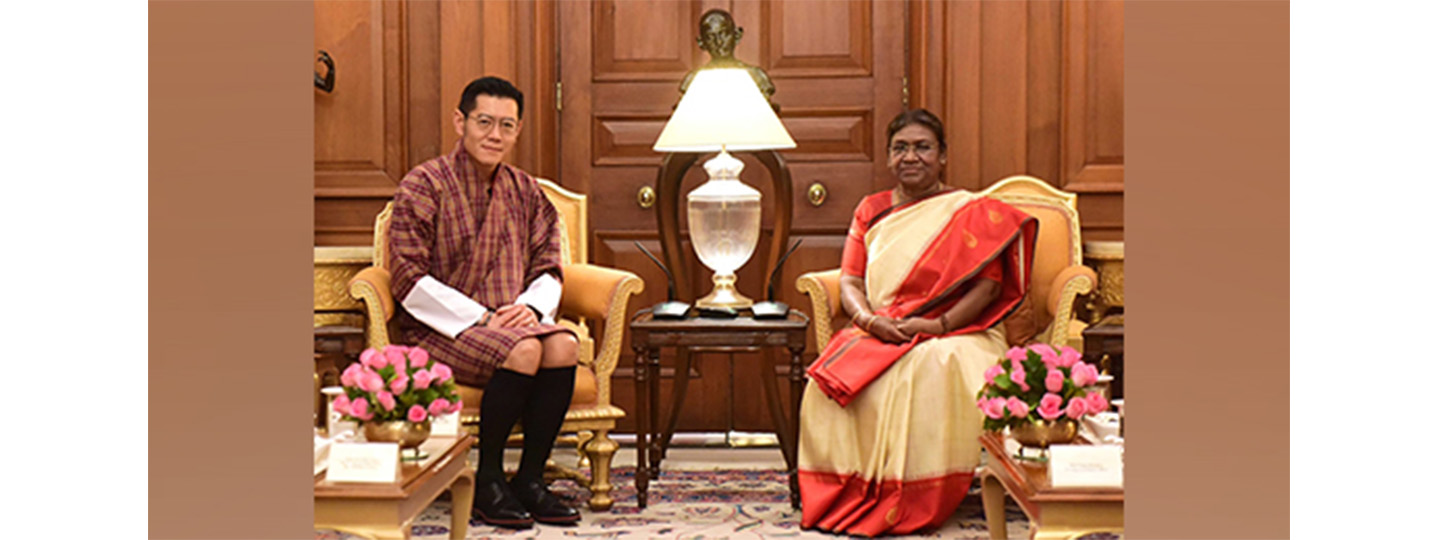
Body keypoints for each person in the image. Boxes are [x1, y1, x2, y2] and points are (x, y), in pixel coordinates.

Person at [797, 109, 1039, 536]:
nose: (911, 156)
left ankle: (916, 494)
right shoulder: (871, 209)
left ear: (943, 156)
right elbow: (851, 279)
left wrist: (938, 326)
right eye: (900, 148)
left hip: (962, 331)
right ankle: (849, 492)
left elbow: (985, 288)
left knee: (928, 366)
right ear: (889, 158)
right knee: (827, 380)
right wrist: (869, 321)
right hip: (881, 326)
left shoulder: (972, 213)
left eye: (922, 147)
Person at [388, 76, 580, 529]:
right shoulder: (424, 184)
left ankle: (530, 479)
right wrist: (482, 316)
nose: (495, 135)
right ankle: (488, 480)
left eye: (507, 126)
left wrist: (530, 309)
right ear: (461, 121)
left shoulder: (526, 190)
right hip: (440, 328)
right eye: (485, 122)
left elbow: (549, 264)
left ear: (517, 130)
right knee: (527, 349)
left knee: (564, 345)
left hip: (513, 320)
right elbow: (407, 278)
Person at [678, 8, 775, 102]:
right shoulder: (692, 82)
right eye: (710, 37)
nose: (719, 42)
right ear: (701, 43)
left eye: (724, 34)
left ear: (737, 35)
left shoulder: (757, 77)